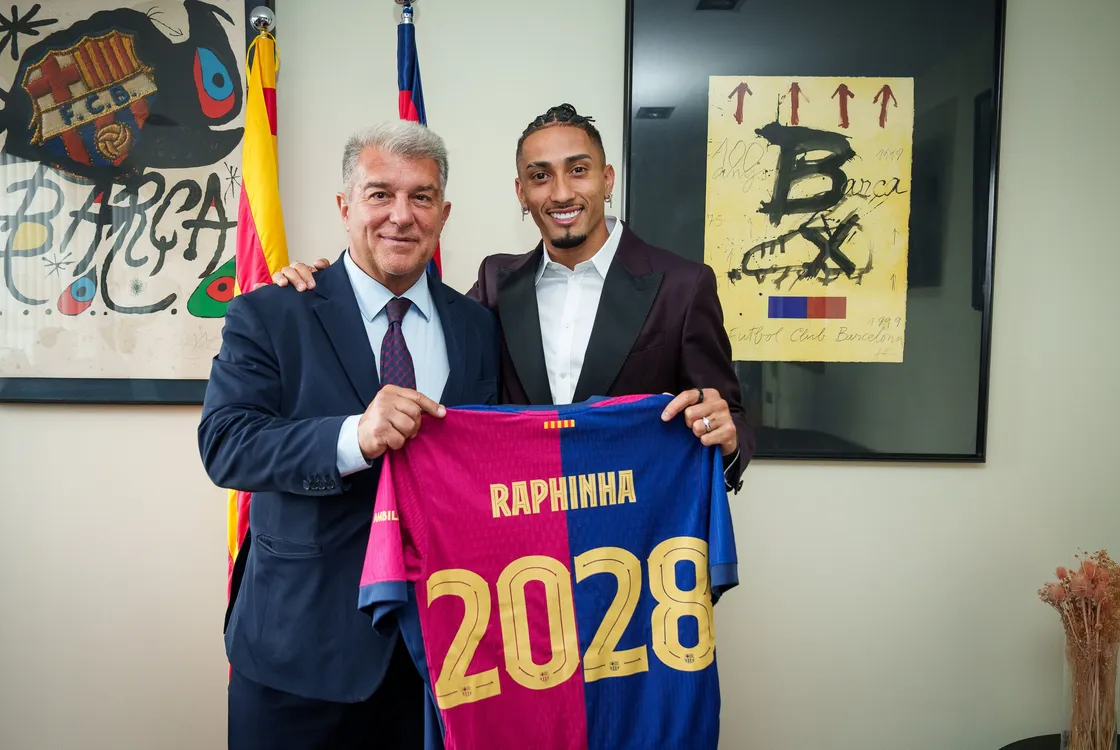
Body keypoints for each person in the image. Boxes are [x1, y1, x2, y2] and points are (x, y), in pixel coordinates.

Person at [198, 120, 499, 750]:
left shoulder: (477, 327)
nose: (400, 215)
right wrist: (351, 438)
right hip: (298, 655)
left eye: (421, 197)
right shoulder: (271, 312)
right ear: (344, 207)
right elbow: (226, 444)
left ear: (443, 214)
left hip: (441, 660)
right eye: (379, 194)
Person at [271, 103, 753, 493]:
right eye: (540, 177)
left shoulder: (683, 285)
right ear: (521, 193)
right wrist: (329, 279)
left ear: (607, 180)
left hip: (638, 538)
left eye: (578, 170)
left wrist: (728, 439)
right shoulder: (497, 281)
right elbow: (416, 309)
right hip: (520, 557)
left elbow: (731, 414)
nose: (561, 192)